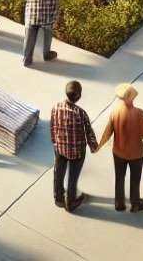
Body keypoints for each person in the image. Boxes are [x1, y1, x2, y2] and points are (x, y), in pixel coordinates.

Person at [96, 82, 143, 212]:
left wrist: (99, 146)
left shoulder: (115, 112)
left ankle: (119, 203)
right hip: (136, 153)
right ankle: (135, 203)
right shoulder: (139, 113)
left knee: (119, 178)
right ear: (133, 97)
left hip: (119, 152)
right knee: (135, 179)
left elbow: (107, 132)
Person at [50, 80, 98, 212]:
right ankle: (70, 202)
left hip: (60, 149)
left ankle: (58, 197)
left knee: (58, 173)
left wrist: (55, 142)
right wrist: (94, 147)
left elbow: (52, 126)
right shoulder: (80, 113)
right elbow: (89, 132)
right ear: (79, 96)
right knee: (73, 176)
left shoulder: (56, 107)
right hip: (77, 152)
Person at [23, 0, 60, 66]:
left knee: (29, 37)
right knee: (48, 34)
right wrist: (54, 21)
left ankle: (27, 58)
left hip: (31, 18)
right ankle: (46, 54)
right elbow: (55, 8)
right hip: (46, 21)